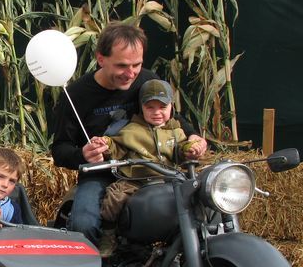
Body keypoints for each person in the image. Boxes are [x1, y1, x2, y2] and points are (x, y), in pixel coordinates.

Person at [51, 21, 207, 247]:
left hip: (149, 170)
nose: (130, 73)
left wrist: (193, 137)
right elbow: (60, 149)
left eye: (137, 64)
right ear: (100, 58)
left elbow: (172, 117)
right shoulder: (76, 95)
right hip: (101, 175)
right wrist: (82, 155)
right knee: (83, 224)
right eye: (122, 66)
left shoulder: (146, 80)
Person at [100, 79, 188, 223]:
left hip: (169, 179)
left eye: (163, 107)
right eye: (150, 107)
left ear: (171, 106)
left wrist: (188, 149)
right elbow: (117, 148)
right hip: (135, 181)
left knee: (197, 192)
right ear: (141, 107)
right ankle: (109, 233)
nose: (157, 112)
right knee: (114, 198)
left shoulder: (176, 131)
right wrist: (107, 144)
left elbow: (180, 151)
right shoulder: (131, 130)